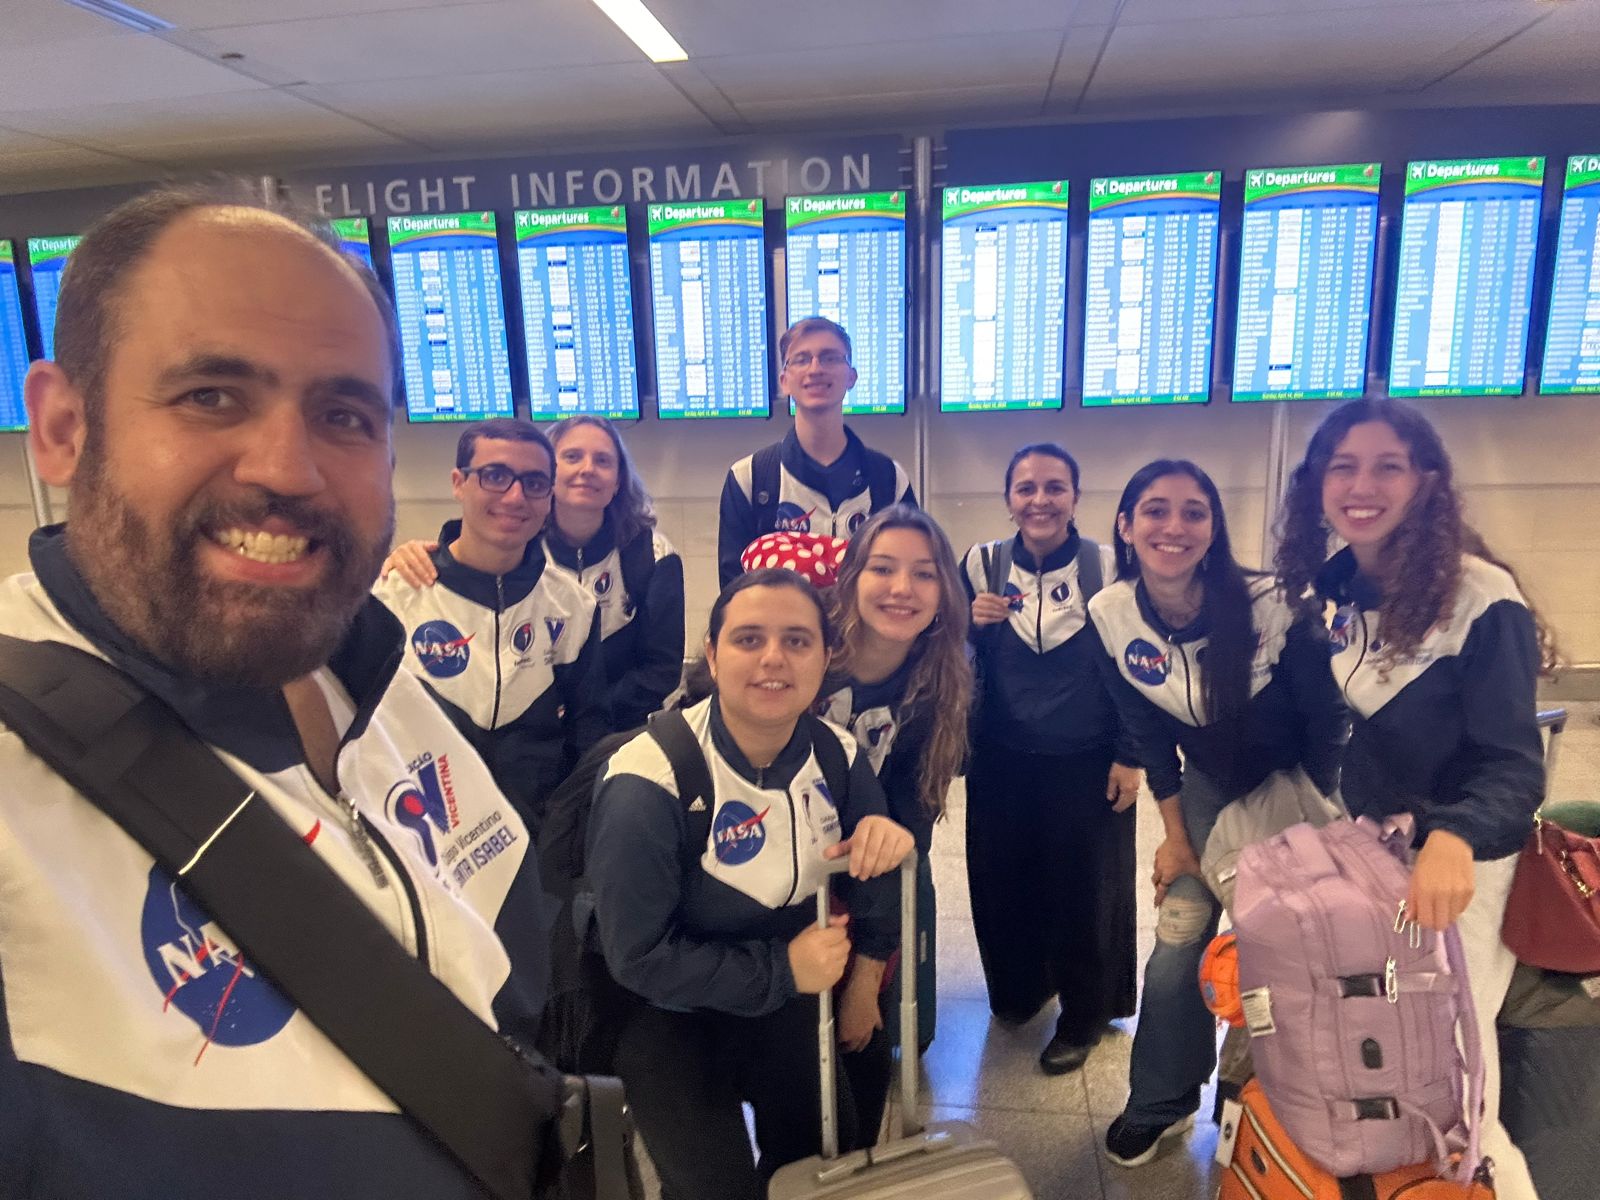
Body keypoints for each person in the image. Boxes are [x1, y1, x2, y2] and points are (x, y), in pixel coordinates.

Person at [1, 184, 557, 1198]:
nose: (288, 469)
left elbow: (517, 993)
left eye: (343, 415)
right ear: (65, 427)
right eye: (211, 396)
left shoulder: (378, 684)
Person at [1275, 398, 1559, 1200]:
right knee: (1382, 1062)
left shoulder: (1481, 597)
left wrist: (1454, 837)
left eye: (1387, 467)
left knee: (1456, 1082)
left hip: (1457, 867)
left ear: (1427, 481)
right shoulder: (1334, 591)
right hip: (1371, 856)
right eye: (1342, 467)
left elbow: (1513, 765)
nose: (1361, 486)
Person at [586, 569, 915, 1200]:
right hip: (664, 1011)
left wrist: (862, 981)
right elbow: (636, 957)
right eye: (748, 639)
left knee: (827, 1159)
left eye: (797, 640)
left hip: (785, 995)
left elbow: (873, 880)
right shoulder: (647, 782)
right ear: (712, 655)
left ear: (825, 657)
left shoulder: (836, 755)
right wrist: (784, 971)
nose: (773, 658)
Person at [1088, 459, 1348, 1168]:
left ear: (1214, 528)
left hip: (1301, 786)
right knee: (1180, 933)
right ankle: (1161, 1102)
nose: (1174, 526)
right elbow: (1147, 735)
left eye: (1193, 511)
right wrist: (1177, 839)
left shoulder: (1274, 604)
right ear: (1126, 525)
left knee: (1290, 943)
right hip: (1206, 789)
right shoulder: (1111, 614)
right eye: (1155, 510)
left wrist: (1308, 824)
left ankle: (1285, 1106)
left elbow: (1327, 721)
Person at [961, 443, 1143, 1076]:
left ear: (1076, 497)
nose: (1040, 500)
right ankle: (1022, 986)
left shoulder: (1111, 565)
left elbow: (1138, 663)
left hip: (1087, 760)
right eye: (1026, 488)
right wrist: (970, 624)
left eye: (1055, 487)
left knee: (1086, 890)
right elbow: (945, 652)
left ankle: (1086, 1012)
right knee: (1002, 880)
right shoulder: (980, 565)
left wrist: (1132, 753)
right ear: (1009, 499)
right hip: (1001, 759)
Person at [373, 418, 609, 836]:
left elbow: (587, 735)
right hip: (421, 839)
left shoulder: (575, 607)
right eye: (495, 476)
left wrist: (563, 837)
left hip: (537, 841)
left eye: (534, 483)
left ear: (548, 496)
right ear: (458, 483)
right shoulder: (393, 599)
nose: (515, 497)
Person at [384, 414, 685, 731]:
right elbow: (465, 563)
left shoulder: (653, 556)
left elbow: (661, 670)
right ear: (550, 478)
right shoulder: (516, 544)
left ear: (618, 481)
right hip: (531, 735)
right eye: (572, 457)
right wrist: (411, 558)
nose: (587, 469)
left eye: (602, 460)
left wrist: (586, 713)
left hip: (619, 730)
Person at [816, 504, 973, 1056]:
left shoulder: (942, 683)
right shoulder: (804, 647)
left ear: (944, 592)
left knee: (903, 1034)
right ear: (851, 578)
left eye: (924, 573)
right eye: (882, 568)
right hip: (786, 853)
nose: (902, 588)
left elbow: (907, 827)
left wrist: (867, 975)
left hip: (875, 852)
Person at [717, 317, 915, 587]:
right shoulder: (749, 479)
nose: (816, 369)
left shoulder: (890, 478)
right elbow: (733, 594)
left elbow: (910, 576)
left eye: (830, 358)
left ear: (851, 377)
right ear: (784, 381)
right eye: (801, 359)